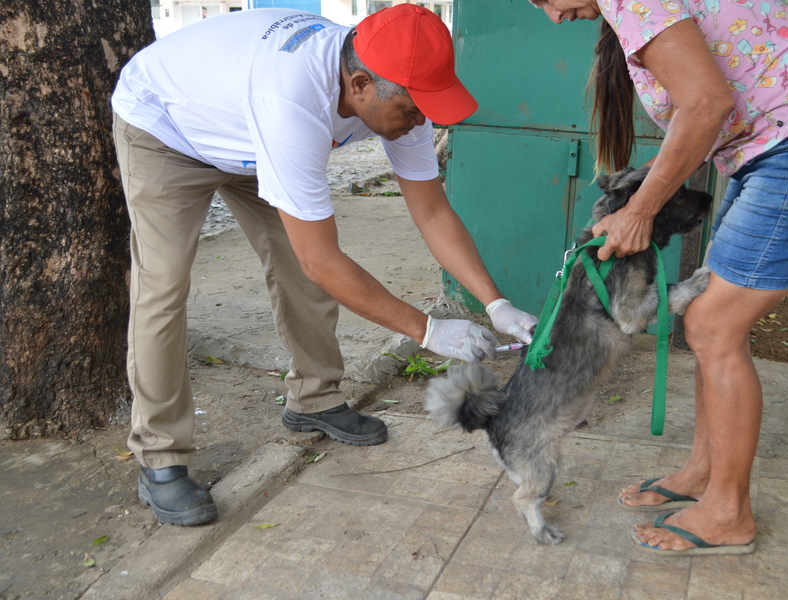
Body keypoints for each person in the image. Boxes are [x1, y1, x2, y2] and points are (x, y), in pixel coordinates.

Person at [111, 5, 537, 527]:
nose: (421, 120)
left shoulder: (397, 92)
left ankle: (313, 400)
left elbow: (432, 210)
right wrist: (426, 330)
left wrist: (494, 304)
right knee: (164, 287)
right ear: (359, 85)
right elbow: (324, 261)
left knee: (298, 266)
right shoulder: (293, 101)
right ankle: (160, 459)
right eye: (412, 109)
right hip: (169, 129)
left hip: (251, 131)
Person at [528, 0, 788, 555]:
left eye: (543, 0)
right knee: (707, 322)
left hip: (786, 148)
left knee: (712, 327)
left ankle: (729, 512)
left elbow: (706, 103)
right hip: (761, 152)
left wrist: (640, 210)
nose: (552, 17)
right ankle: (704, 472)